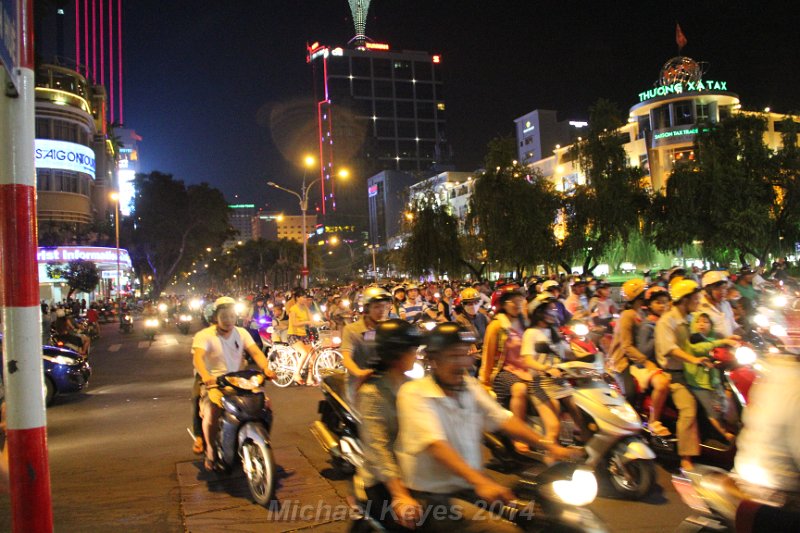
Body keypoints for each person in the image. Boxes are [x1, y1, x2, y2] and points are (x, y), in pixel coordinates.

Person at [395, 323, 578, 532]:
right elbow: (436, 445)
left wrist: (548, 445)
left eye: (465, 354)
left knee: (541, 517)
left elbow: (501, 419)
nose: (462, 362)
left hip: (470, 486)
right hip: (435, 496)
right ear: (433, 360)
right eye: (453, 356)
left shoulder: (468, 386)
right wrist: (481, 481)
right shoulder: (413, 393)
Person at [192, 296, 276, 471]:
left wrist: (266, 368)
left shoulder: (242, 332)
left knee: (265, 405)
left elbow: (255, 352)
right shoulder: (204, 336)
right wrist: (206, 376)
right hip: (214, 382)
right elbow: (198, 358)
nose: (228, 320)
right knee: (212, 411)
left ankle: (259, 438)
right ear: (216, 317)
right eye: (224, 316)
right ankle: (211, 450)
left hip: (240, 380)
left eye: (231, 316)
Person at [356, 319, 424, 530]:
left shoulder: (413, 386)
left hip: (415, 472)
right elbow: (378, 448)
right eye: (412, 349)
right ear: (396, 353)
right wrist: (399, 494)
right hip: (382, 481)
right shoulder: (372, 393)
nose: (416, 353)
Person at [655, 279, 710, 471]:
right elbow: (670, 349)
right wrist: (693, 360)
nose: (698, 302)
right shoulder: (667, 321)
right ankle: (685, 457)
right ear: (685, 300)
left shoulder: (687, 320)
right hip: (674, 375)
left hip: (690, 372)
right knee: (689, 408)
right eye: (695, 299)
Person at [519, 294, 586, 450]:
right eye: (549, 310)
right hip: (540, 383)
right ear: (538, 313)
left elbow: (568, 353)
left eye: (553, 309)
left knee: (581, 415)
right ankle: (552, 457)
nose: (553, 313)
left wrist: (591, 357)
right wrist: (546, 369)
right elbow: (527, 360)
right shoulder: (531, 333)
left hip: (560, 381)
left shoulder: (554, 331)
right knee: (554, 426)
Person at [685, 313, 739, 442]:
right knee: (712, 411)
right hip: (699, 383)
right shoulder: (693, 339)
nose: (702, 324)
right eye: (699, 321)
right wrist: (724, 341)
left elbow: (713, 344)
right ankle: (724, 434)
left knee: (723, 403)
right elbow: (700, 348)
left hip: (712, 381)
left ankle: (734, 426)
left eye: (706, 322)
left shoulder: (710, 339)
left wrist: (729, 340)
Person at [633, 286, 673, 436]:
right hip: (647, 365)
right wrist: (659, 332)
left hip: (666, 363)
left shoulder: (670, 322)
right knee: (662, 385)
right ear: (649, 305)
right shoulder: (647, 326)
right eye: (658, 303)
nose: (663, 306)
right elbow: (644, 351)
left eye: (665, 302)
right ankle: (653, 421)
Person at [340, 286, 393, 383]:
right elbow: (346, 358)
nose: (382, 310)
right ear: (367, 309)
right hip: (360, 382)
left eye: (385, 306)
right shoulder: (352, 330)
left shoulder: (391, 328)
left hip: (387, 380)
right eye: (377, 307)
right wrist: (359, 372)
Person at [287, 290, 321, 385]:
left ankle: (309, 379)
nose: (305, 299)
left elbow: (312, 321)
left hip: (303, 335)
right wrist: (307, 322)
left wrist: (323, 323)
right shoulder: (293, 309)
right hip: (293, 335)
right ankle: (296, 374)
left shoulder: (306, 308)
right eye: (303, 297)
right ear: (297, 298)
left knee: (313, 355)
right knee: (304, 352)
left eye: (306, 297)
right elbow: (294, 323)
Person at [698, 271, 738, 338]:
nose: (723, 291)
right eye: (718, 288)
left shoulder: (726, 304)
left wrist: (746, 336)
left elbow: (733, 325)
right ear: (708, 290)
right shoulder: (699, 308)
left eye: (724, 288)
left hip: (732, 345)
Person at [454, 288, 489, 365]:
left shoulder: (482, 317)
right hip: (472, 357)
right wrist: (472, 346)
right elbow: (466, 341)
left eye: (476, 302)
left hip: (487, 353)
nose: (473, 306)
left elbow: (489, 333)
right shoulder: (460, 320)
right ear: (463, 305)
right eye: (470, 303)